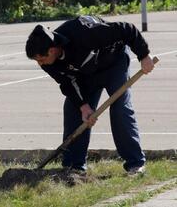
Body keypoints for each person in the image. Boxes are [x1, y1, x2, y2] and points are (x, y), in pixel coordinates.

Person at [25, 15, 154, 174]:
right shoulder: (48, 63)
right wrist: (83, 106)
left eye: (41, 59)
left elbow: (127, 29)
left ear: (52, 50)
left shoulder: (83, 33)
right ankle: (74, 167)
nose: (40, 64)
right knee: (73, 109)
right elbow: (67, 83)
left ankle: (135, 163)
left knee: (120, 107)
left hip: (114, 64)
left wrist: (144, 55)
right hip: (86, 75)